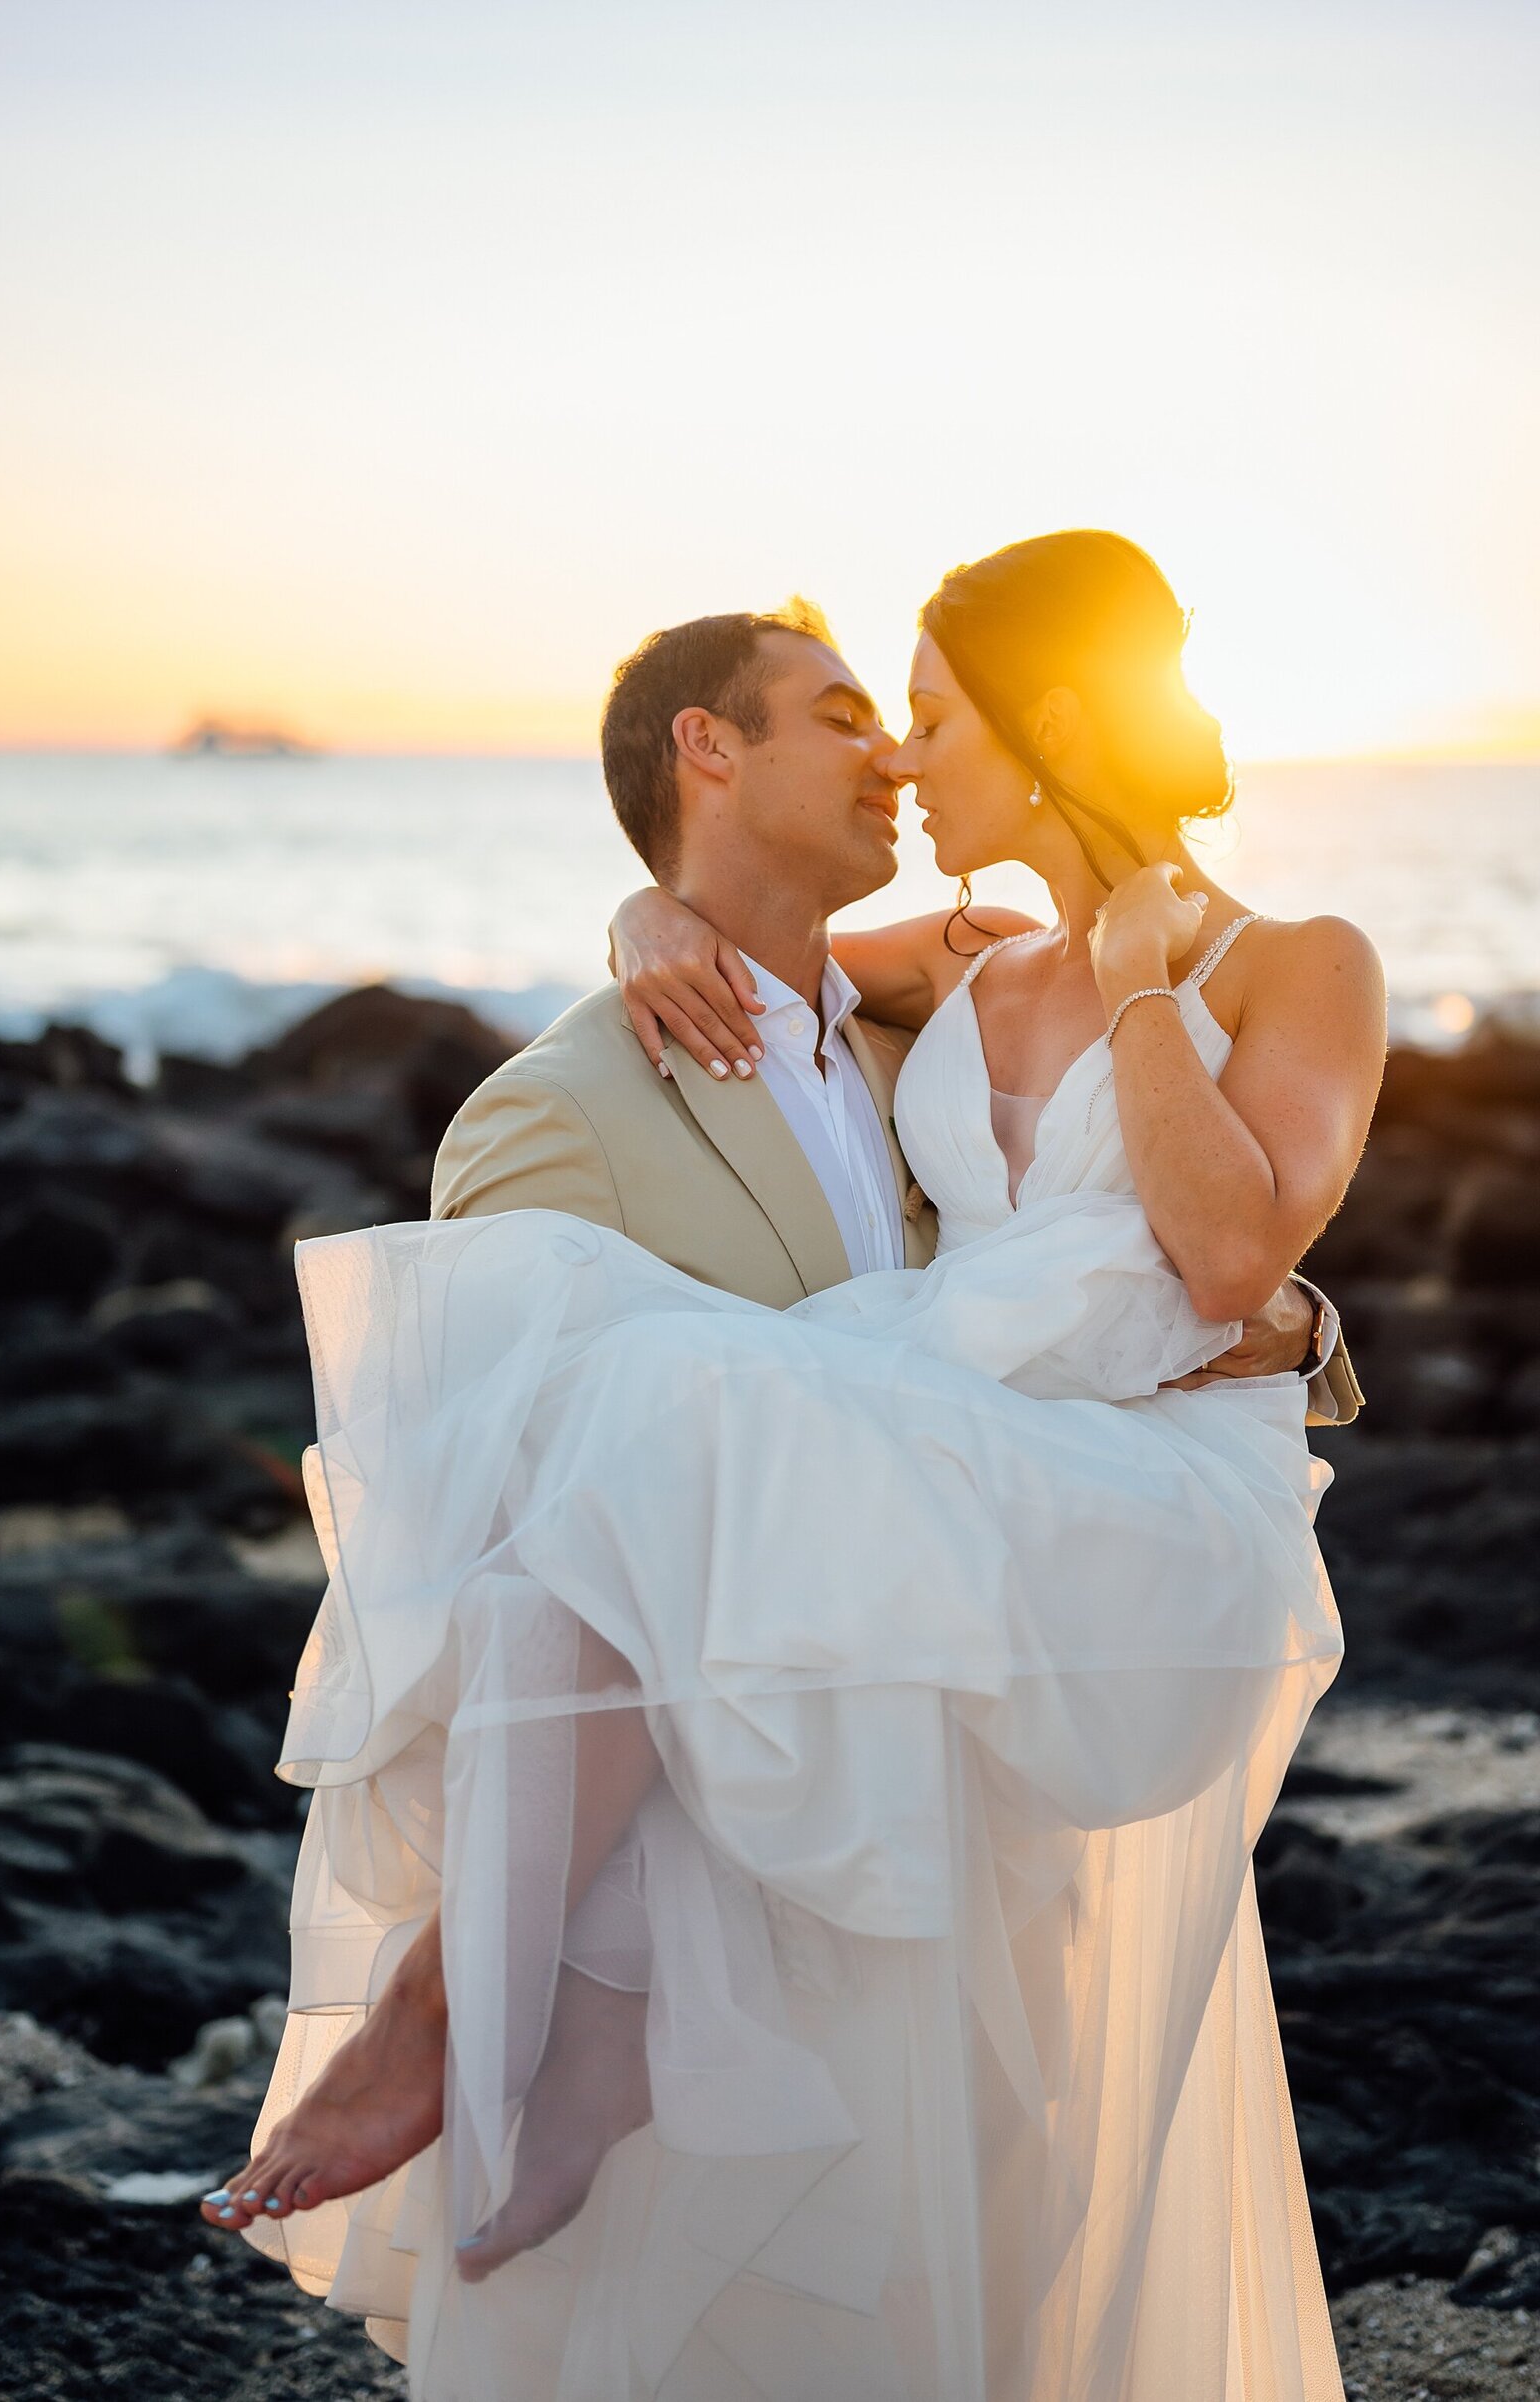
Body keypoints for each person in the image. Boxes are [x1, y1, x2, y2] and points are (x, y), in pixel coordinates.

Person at [206, 537, 1381, 2402]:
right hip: (946, 1516)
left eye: (923, 718)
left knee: (675, 1401)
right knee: (638, 1414)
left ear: (1052, 722)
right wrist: (646, 922)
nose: (907, 763)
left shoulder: (1299, 962)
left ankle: (461, 2006)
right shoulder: (975, 975)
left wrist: (1153, 989)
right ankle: (517, 2006)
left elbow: (1237, 1265)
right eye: (871, 723)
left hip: (1137, 1517)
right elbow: (763, 948)